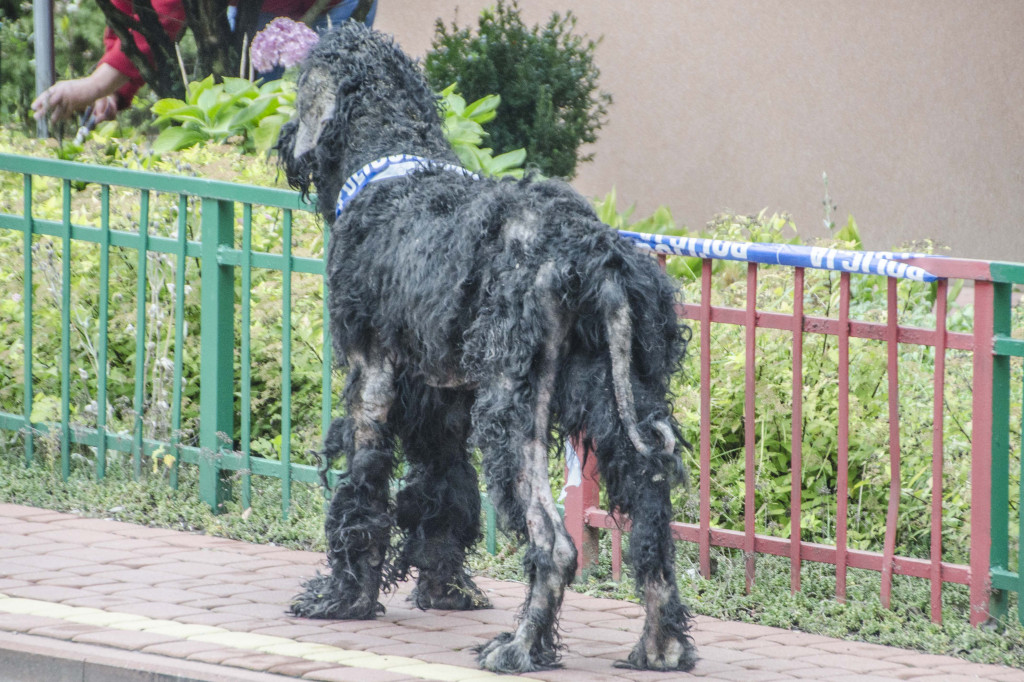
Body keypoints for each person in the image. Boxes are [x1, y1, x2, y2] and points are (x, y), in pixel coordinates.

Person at [31, 0, 377, 125]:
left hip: (332, 6)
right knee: (250, 121)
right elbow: (133, 15)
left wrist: (95, 86)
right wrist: (113, 89)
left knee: (321, 117)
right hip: (252, 9)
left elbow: (167, 14)